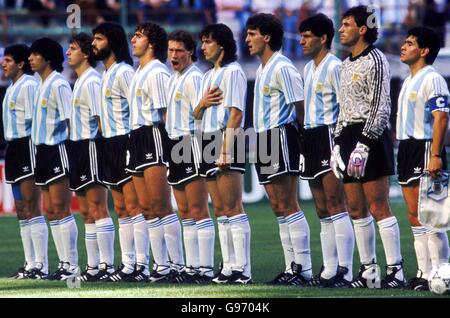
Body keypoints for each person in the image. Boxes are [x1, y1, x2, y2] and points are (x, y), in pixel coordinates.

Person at [330, 5, 405, 289]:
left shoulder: (376, 59)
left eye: (346, 24)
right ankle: (369, 271)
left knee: (378, 206)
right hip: (348, 136)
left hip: (370, 137)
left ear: (362, 29)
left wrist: (364, 143)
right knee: (355, 208)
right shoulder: (346, 63)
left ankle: (395, 270)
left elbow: (381, 106)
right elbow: (343, 109)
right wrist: (337, 144)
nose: (341, 29)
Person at [245, 13, 312, 285]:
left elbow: (301, 105)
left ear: (267, 37)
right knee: (277, 206)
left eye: (252, 34)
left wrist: (305, 140)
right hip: (264, 138)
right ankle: (290, 267)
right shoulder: (263, 68)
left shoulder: (283, 66)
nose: (247, 39)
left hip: (280, 135)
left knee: (288, 203)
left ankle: (303, 270)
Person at [298, 13, 355, 287]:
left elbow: (346, 107)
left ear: (323, 38)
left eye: (307, 36)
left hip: (330, 134)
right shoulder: (308, 69)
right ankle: (329, 269)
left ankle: (346, 269)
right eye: (301, 36)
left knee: (335, 203)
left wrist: (340, 144)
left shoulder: (335, 67)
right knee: (321, 208)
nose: (302, 41)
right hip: (310, 136)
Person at [194, 23, 251, 284]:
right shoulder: (207, 76)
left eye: (208, 42)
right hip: (207, 139)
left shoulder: (233, 72)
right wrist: (202, 103)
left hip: (226, 138)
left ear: (222, 45)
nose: (203, 47)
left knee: (233, 206)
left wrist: (227, 149)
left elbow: (236, 113)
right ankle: (228, 267)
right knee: (219, 208)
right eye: (202, 41)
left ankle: (243, 268)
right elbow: (195, 114)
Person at [128, 22, 184, 283]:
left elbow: (166, 114)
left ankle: (177, 265)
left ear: (151, 43)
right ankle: (160, 267)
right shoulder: (138, 71)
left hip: (154, 135)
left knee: (162, 205)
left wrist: (170, 149)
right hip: (137, 137)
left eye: (138, 36)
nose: (133, 40)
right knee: (147, 208)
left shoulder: (157, 72)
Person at [397, 26, 449, 291]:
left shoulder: (432, 78)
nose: (403, 46)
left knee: (431, 216)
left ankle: (441, 274)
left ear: (424, 51)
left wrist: (437, 154)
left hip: (426, 146)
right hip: (406, 148)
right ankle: (423, 272)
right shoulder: (408, 79)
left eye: (409, 43)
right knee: (414, 215)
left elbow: (441, 117)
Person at [91, 22, 141, 281]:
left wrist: (133, 142)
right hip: (108, 143)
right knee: (120, 207)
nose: (94, 44)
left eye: (98, 39)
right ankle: (128, 263)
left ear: (112, 42)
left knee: (134, 206)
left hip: (126, 140)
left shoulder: (124, 72)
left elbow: (137, 109)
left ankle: (141, 264)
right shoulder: (104, 75)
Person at [166, 30, 216, 284]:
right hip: (175, 144)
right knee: (184, 210)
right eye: (171, 50)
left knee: (197, 209)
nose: (174, 55)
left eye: (179, 51)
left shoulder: (194, 77)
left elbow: (200, 115)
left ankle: (205, 268)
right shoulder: (176, 77)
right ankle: (191, 267)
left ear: (190, 52)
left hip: (191, 143)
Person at [65, 33, 116, 282]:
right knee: (85, 211)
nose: (68, 53)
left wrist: (103, 150)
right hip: (77, 147)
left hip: (91, 146)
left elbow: (100, 120)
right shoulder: (79, 80)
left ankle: (107, 265)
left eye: (72, 48)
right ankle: (93, 266)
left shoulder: (93, 81)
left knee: (98, 207)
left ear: (85, 54)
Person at [28, 37, 79, 280]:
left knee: (61, 207)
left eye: (35, 54)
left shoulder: (59, 84)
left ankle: (72, 266)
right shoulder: (41, 84)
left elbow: (71, 120)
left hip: (57, 148)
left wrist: (71, 151)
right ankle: (63, 264)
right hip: (42, 152)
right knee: (50, 210)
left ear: (48, 58)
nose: (30, 58)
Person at [2, 44, 48, 280]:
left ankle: (41, 265)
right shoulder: (12, 87)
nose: (3, 63)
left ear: (21, 64)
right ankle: (30, 263)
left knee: (31, 206)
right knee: (21, 209)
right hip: (13, 148)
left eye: (8, 60)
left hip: (27, 145)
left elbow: (37, 120)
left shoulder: (29, 86)